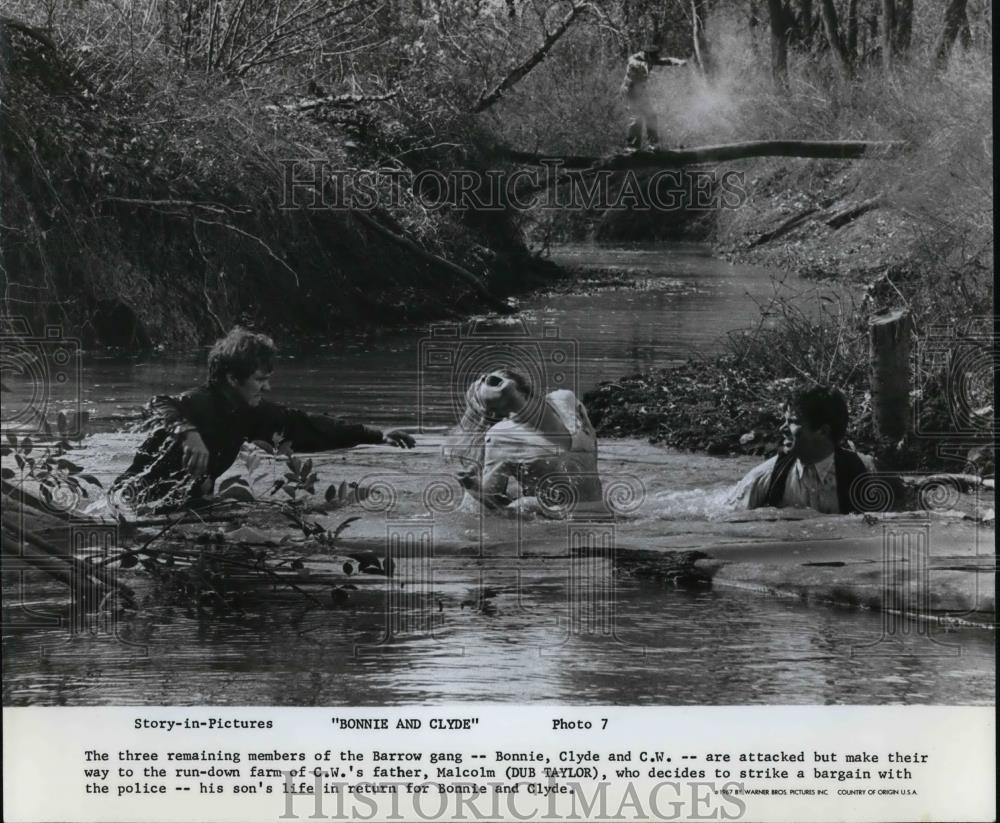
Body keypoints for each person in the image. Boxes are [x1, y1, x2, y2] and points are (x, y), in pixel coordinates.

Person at [111, 327, 414, 511]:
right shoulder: (199, 402)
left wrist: (375, 434)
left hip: (188, 509)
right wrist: (188, 433)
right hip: (132, 506)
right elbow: (157, 405)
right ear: (231, 378)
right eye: (259, 379)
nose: (266, 387)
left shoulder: (252, 414)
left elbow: (309, 427)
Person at [443, 368, 603, 516]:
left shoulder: (565, 400)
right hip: (556, 519)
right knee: (522, 505)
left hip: (599, 510)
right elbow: (490, 506)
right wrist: (474, 488)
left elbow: (587, 451)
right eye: (481, 382)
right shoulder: (500, 436)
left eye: (490, 377)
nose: (484, 378)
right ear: (489, 410)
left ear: (520, 382)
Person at [728, 385, 876, 515]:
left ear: (823, 431)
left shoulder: (867, 473)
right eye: (785, 421)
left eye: (793, 422)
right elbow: (723, 521)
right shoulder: (763, 478)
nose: (782, 428)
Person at [621, 45, 686, 150]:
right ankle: (632, 147)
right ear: (646, 54)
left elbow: (667, 60)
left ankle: (653, 144)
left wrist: (679, 62)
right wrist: (645, 65)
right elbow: (637, 63)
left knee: (651, 116)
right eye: (653, 57)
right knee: (636, 118)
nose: (655, 60)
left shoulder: (650, 58)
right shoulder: (634, 59)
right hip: (629, 91)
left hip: (641, 91)